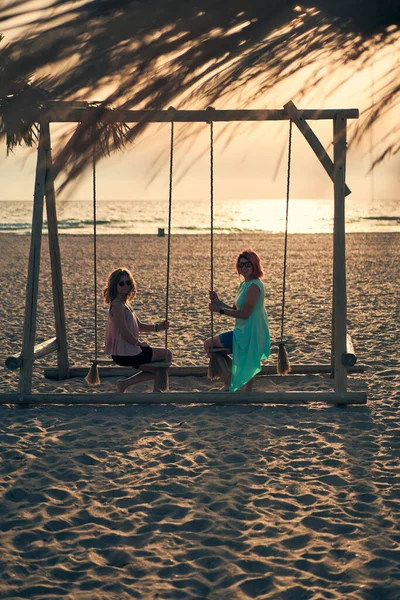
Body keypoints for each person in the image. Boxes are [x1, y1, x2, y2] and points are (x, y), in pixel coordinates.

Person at [204, 248, 270, 392]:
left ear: (255, 265)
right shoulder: (244, 285)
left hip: (250, 332)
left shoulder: (254, 286)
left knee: (209, 344)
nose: (244, 268)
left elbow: (245, 313)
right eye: (241, 265)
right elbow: (235, 309)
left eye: (247, 264)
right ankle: (237, 377)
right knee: (211, 346)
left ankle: (229, 382)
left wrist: (220, 310)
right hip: (242, 329)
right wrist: (219, 302)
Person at [104, 267, 172, 393]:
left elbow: (139, 326)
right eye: (121, 283)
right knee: (166, 355)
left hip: (129, 350)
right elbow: (124, 332)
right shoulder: (118, 305)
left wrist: (158, 327)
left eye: (128, 282)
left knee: (158, 370)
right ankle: (157, 392)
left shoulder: (125, 304)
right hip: (124, 353)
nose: (125, 286)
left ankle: (124, 384)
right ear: (115, 286)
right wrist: (138, 343)